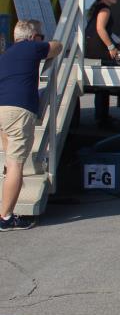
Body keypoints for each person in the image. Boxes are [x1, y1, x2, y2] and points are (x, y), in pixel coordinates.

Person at [0, 20, 63, 231]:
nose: (42, 40)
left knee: (11, 161)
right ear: (32, 37)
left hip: (1, 107)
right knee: (16, 164)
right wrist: (47, 43)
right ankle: (5, 218)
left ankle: (8, 202)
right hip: (18, 109)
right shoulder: (31, 47)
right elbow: (57, 47)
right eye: (40, 36)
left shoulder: (6, 54)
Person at [84, 0, 120, 127]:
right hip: (99, 49)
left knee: (102, 85)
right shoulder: (105, 9)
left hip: (92, 48)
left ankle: (102, 116)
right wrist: (111, 47)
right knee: (106, 81)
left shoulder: (99, 8)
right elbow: (100, 28)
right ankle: (104, 117)